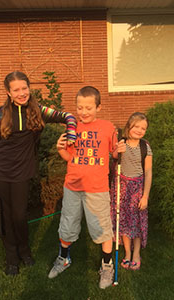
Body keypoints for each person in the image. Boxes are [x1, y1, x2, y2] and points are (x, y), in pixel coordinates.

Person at [0, 71, 77, 276]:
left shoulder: (38, 110)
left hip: (22, 172)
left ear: (29, 87)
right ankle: (12, 259)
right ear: (8, 92)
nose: (22, 93)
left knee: (19, 216)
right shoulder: (1, 113)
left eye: (24, 88)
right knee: (6, 217)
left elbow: (67, 116)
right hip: (0, 171)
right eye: (16, 90)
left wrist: (71, 132)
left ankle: (24, 252)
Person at [48, 86, 125, 289]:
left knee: (102, 230)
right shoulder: (72, 128)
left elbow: (115, 155)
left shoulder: (108, 127)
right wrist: (60, 149)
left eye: (88, 107)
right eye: (80, 107)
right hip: (72, 187)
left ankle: (107, 266)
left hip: (97, 189)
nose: (83, 112)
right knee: (67, 226)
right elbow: (70, 158)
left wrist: (119, 150)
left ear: (98, 107)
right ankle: (63, 259)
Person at [110, 112, 152, 271]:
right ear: (129, 126)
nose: (140, 130)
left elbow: (148, 172)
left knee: (136, 221)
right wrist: (116, 151)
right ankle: (127, 252)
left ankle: (136, 254)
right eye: (137, 126)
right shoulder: (121, 143)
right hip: (121, 187)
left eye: (143, 128)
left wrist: (145, 195)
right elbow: (114, 158)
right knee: (123, 221)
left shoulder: (145, 147)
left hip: (137, 189)